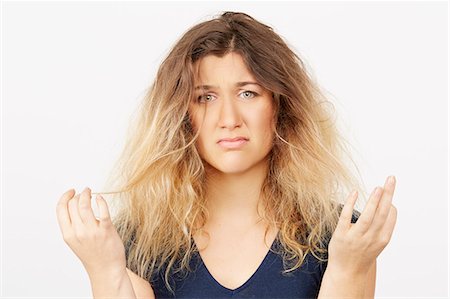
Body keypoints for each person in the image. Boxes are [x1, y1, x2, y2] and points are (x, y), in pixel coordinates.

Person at [56, 11, 397, 299]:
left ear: (280, 107)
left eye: (248, 93)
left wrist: (349, 270)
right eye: (205, 97)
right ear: (180, 115)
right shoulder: (134, 240)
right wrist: (104, 270)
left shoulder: (341, 236)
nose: (229, 119)